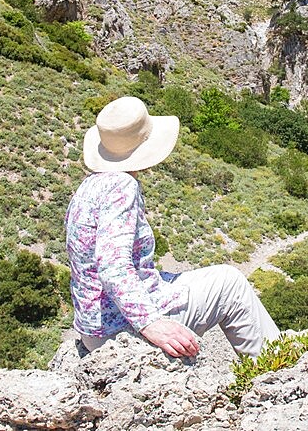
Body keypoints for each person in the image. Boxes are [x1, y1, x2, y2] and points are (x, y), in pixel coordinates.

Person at [65, 95, 280, 359]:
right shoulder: (122, 186)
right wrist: (150, 322)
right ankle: (276, 368)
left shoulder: (88, 186)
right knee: (230, 283)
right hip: (120, 330)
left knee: (204, 277)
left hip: (94, 328)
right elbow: (112, 266)